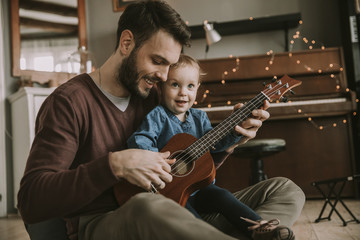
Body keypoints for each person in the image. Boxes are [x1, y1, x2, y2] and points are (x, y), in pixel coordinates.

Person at [17, 1, 305, 240]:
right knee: (147, 207)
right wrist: (114, 165)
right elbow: (31, 201)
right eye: (158, 61)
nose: (166, 77)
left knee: (284, 189)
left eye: (171, 65)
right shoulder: (69, 102)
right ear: (127, 43)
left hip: (175, 212)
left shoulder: (155, 95)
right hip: (109, 222)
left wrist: (231, 143)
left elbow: (184, 174)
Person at [127, 54, 295, 240]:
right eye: (175, 85)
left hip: (201, 190)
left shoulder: (200, 118)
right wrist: (157, 162)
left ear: (198, 88)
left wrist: (236, 132)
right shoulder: (158, 116)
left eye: (190, 86)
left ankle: (260, 228)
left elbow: (216, 145)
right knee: (187, 218)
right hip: (166, 193)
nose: (183, 92)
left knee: (222, 196)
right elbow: (140, 140)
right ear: (160, 87)